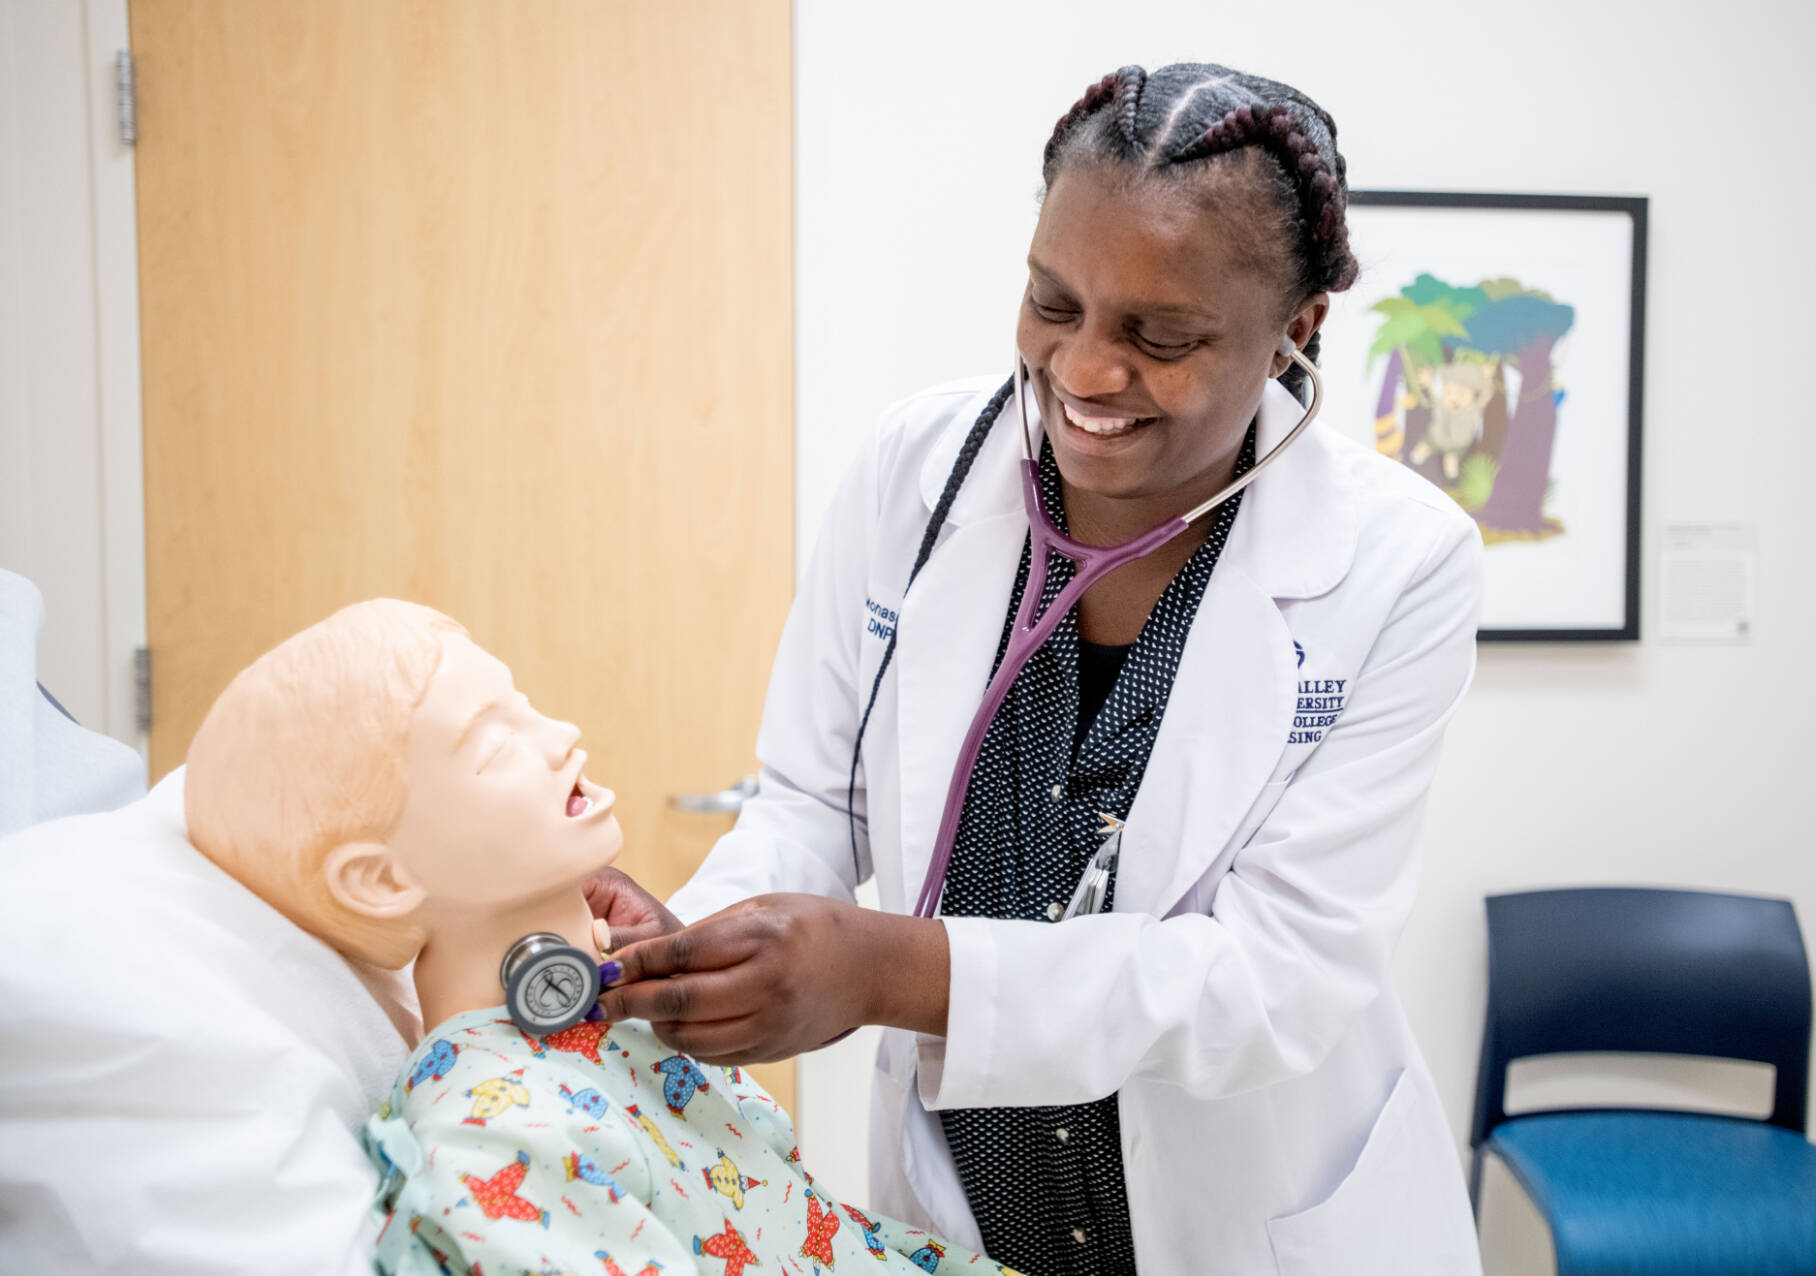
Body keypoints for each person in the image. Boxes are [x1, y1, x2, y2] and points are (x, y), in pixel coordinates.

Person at [590, 63, 1486, 1275]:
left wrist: (883, 969)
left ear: (1297, 332)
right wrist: (700, 939)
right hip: (969, 1215)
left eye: (1159, 336)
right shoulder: (918, 469)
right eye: (1051, 303)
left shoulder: (1396, 561)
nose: (1083, 371)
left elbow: (1273, 978)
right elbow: (812, 799)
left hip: (1250, 1222)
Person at [182, 600, 1018, 1276]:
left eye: (525, 705)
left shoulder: (607, 1033)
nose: (560, 735)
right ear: (380, 881)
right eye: (493, 740)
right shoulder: (493, 1141)